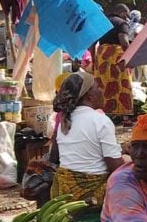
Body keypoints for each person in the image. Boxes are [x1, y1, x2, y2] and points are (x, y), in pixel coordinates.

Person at [50, 71, 123, 207]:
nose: (102, 91)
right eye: (98, 87)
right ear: (89, 95)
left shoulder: (65, 121)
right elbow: (115, 166)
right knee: (129, 172)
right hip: (90, 194)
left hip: (63, 193)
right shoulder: (100, 120)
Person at [94, 3, 134, 119]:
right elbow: (124, 42)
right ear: (121, 12)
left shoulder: (102, 22)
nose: (127, 18)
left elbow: (92, 43)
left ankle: (105, 114)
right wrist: (129, 57)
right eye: (126, 15)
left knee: (104, 85)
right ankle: (125, 117)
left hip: (101, 56)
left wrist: (94, 60)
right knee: (123, 85)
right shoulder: (122, 23)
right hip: (117, 56)